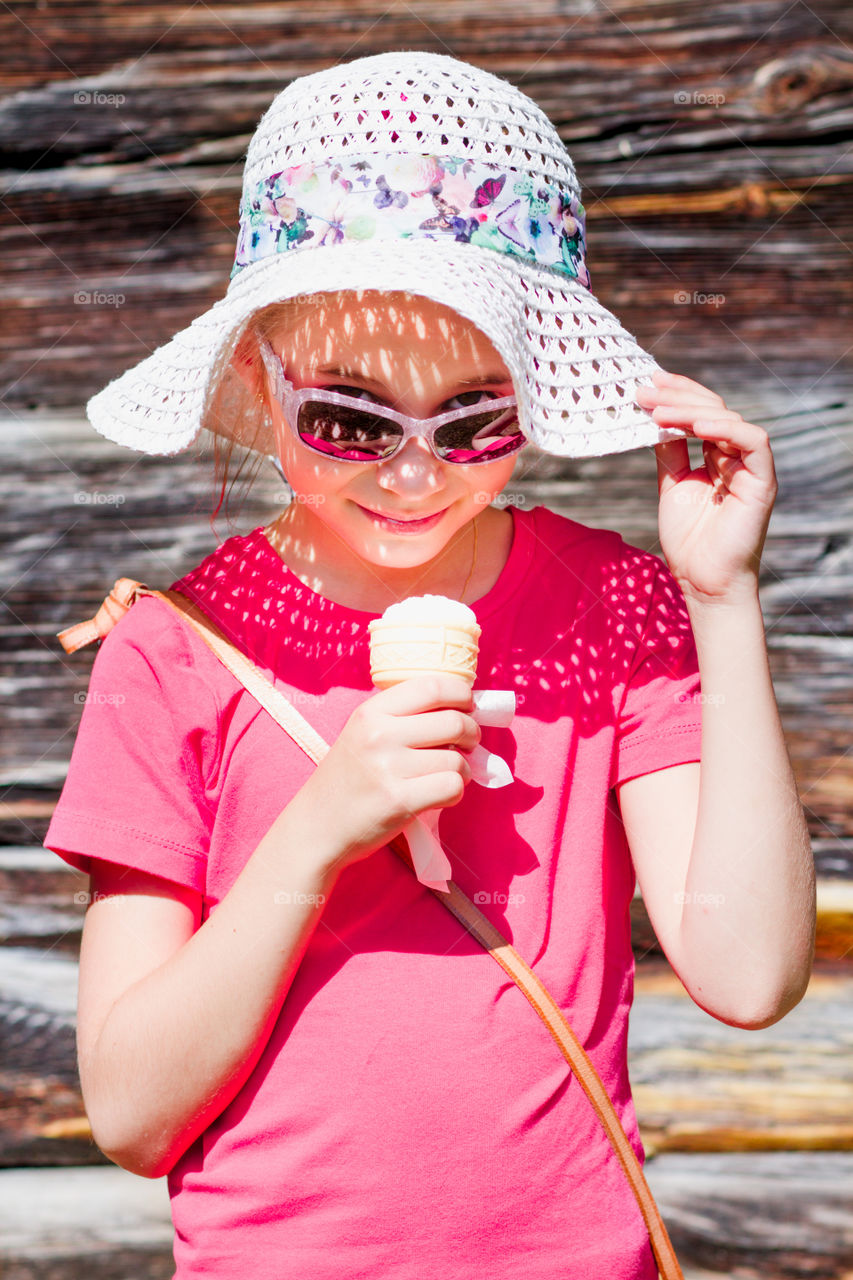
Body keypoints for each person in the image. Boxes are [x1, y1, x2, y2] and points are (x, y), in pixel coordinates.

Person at [43, 49, 815, 1280]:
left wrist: (720, 596)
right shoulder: (173, 648)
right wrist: (318, 829)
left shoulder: (608, 601)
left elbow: (749, 971)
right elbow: (133, 1111)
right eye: (351, 419)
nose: (413, 476)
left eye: (475, 421)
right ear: (258, 378)